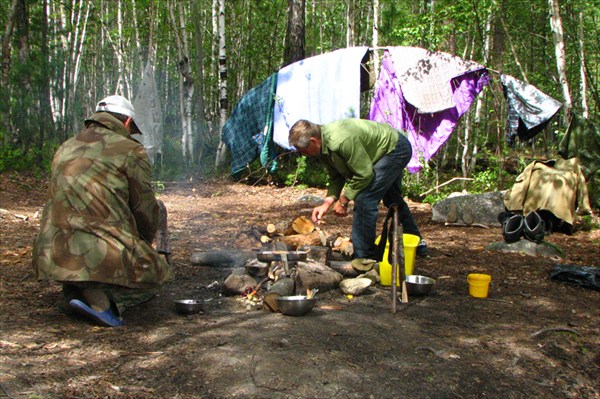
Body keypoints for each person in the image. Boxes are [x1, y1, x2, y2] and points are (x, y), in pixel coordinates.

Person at [32, 95, 173, 327]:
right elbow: (145, 208)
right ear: (127, 123)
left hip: (51, 252)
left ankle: (75, 292)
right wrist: (144, 244)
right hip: (98, 251)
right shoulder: (130, 151)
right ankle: (107, 303)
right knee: (160, 275)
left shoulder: (65, 147)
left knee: (87, 263)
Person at [288, 118, 427, 260]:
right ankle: (417, 243)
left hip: (394, 149)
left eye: (302, 150)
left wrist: (344, 200)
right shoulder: (323, 147)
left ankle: (364, 258)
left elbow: (365, 174)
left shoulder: (340, 140)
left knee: (364, 199)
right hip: (379, 154)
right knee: (392, 198)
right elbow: (337, 177)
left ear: (313, 141)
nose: (303, 154)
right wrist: (326, 204)